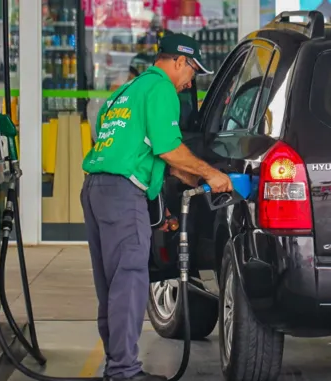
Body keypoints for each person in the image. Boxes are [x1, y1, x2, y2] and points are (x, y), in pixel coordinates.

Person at [80, 33, 233, 381]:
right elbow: (168, 149)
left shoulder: (128, 91)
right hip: (121, 195)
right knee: (130, 283)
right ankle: (123, 371)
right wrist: (213, 174)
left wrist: (173, 198)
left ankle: (116, 366)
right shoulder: (163, 89)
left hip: (96, 190)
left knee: (112, 287)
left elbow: (146, 151)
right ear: (179, 61)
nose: (191, 79)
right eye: (193, 69)